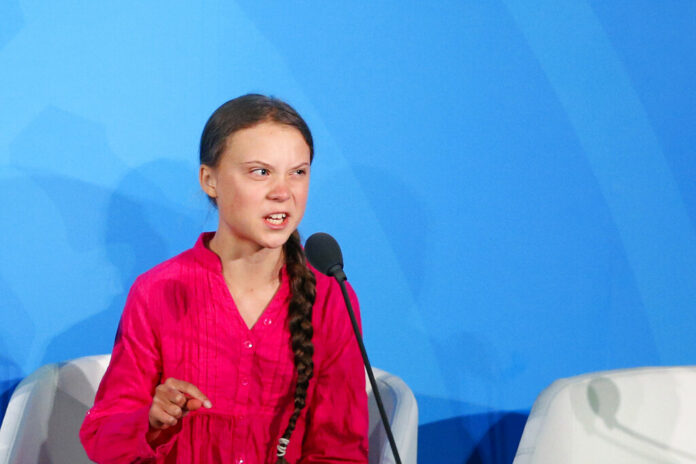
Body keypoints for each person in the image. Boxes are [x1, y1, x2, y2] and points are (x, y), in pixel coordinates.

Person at [79, 94, 369, 464]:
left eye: (298, 172)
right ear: (209, 180)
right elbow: (103, 438)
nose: (283, 192)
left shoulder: (330, 298)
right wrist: (151, 421)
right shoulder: (157, 291)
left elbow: (340, 451)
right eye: (260, 172)